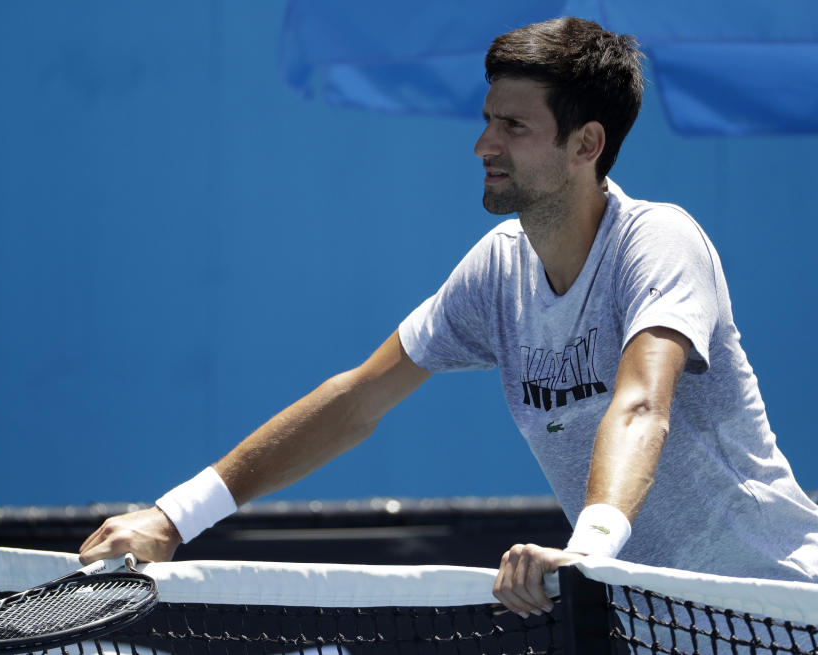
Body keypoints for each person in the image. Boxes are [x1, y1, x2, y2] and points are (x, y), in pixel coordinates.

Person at [79, 16, 818, 619]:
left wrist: (588, 544)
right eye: (487, 121)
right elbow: (359, 397)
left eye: (515, 128)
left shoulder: (659, 240)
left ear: (586, 145)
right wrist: (175, 517)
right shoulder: (497, 270)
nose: (483, 146)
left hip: (781, 604)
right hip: (658, 620)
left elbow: (642, 404)